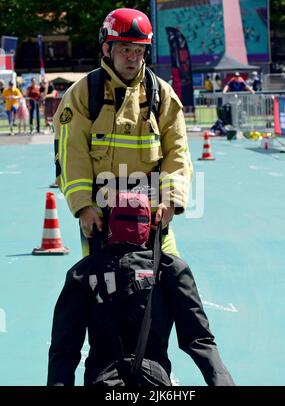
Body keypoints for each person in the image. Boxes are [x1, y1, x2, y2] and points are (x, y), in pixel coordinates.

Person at [47, 195, 235, 386]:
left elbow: (63, 351)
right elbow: (199, 339)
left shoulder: (82, 273)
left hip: (102, 379)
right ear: (151, 226)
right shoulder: (170, 270)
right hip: (154, 381)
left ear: (109, 225)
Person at [53, 8, 193, 258]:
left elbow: (178, 152)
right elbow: (71, 154)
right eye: (125, 49)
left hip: (152, 217)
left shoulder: (161, 95)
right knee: (96, 289)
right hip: (100, 218)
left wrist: (171, 200)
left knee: (174, 287)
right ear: (107, 49)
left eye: (139, 51)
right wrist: (83, 206)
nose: (133, 58)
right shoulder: (83, 94)